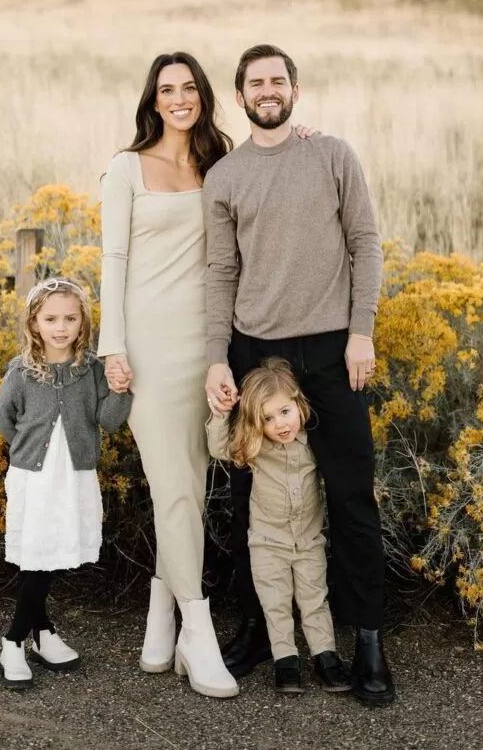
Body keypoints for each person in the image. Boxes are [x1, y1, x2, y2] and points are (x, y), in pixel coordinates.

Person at [98, 51, 318, 699]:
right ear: (153, 99)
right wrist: (113, 347)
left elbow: (272, 167)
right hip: (148, 348)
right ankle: (197, 633)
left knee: (194, 485)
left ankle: (159, 615)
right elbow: (112, 260)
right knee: (175, 490)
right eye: (166, 89)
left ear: (201, 95)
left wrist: (303, 142)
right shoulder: (124, 168)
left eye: (188, 87)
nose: (178, 98)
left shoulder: (222, 164)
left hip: (211, 346)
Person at [203, 43, 395, 707]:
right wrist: (215, 357)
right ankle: (260, 628)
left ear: (294, 88)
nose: (268, 89)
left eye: (277, 79)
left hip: (332, 349)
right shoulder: (225, 177)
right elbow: (221, 272)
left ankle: (366, 636)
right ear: (241, 94)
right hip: (255, 351)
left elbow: (364, 243)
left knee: (348, 493)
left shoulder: (332, 154)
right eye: (256, 82)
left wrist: (361, 330)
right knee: (248, 497)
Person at [0, 277, 132, 689]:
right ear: (34, 323)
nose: (60, 327)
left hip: (73, 475)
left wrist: (121, 389)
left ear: (82, 322)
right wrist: (29, 449)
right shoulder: (21, 371)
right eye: (51, 318)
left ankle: (43, 633)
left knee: (47, 552)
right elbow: (5, 418)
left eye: (70, 318)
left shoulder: (91, 370)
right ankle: (14, 640)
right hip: (33, 476)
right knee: (37, 553)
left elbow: (109, 420)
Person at [206, 357, 352, 696]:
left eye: (285, 412)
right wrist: (219, 414)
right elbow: (217, 447)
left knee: (315, 598)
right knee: (276, 603)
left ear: (298, 403)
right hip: (267, 543)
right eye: (268, 419)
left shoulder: (314, 444)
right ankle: (285, 660)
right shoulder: (256, 447)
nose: (280, 424)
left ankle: (325, 657)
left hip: (309, 540)